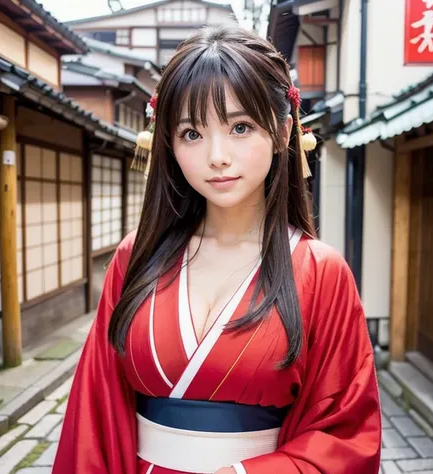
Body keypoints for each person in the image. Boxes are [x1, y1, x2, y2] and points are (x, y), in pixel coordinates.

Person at [52, 26, 381, 474]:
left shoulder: (321, 271)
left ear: (284, 131)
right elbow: (94, 413)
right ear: (168, 142)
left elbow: (346, 435)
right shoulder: (137, 257)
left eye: (240, 127)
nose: (217, 155)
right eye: (191, 133)